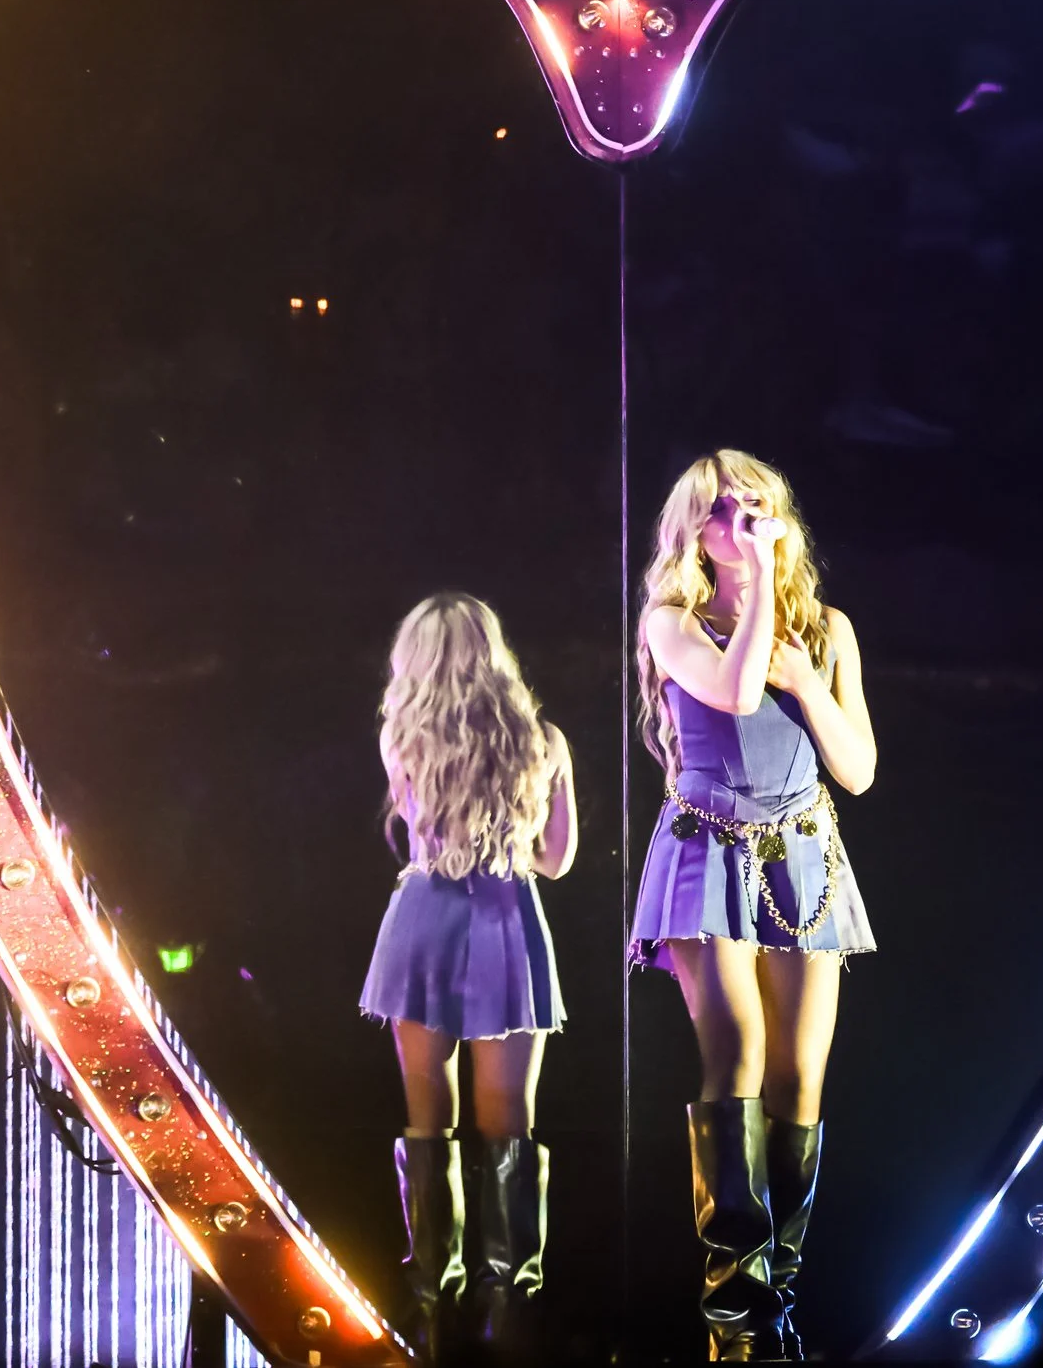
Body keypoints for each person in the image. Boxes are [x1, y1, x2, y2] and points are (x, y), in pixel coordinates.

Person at [628, 450, 878, 1362]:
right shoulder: (672, 620)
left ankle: (778, 1310)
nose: (745, 518)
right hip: (707, 850)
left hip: (808, 853)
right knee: (737, 1053)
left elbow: (857, 769)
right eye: (724, 509)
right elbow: (733, 692)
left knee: (801, 1082)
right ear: (695, 529)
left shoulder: (830, 629)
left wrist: (809, 679)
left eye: (759, 504)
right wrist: (764, 583)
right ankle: (733, 1320)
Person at [360, 593, 577, 1363]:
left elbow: (419, 832)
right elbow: (556, 860)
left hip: (423, 917)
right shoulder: (543, 741)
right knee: (507, 1118)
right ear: (494, 653)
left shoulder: (403, 735)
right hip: (503, 918)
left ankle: (429, 1302)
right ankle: (508, 1301)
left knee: (430, 1118)